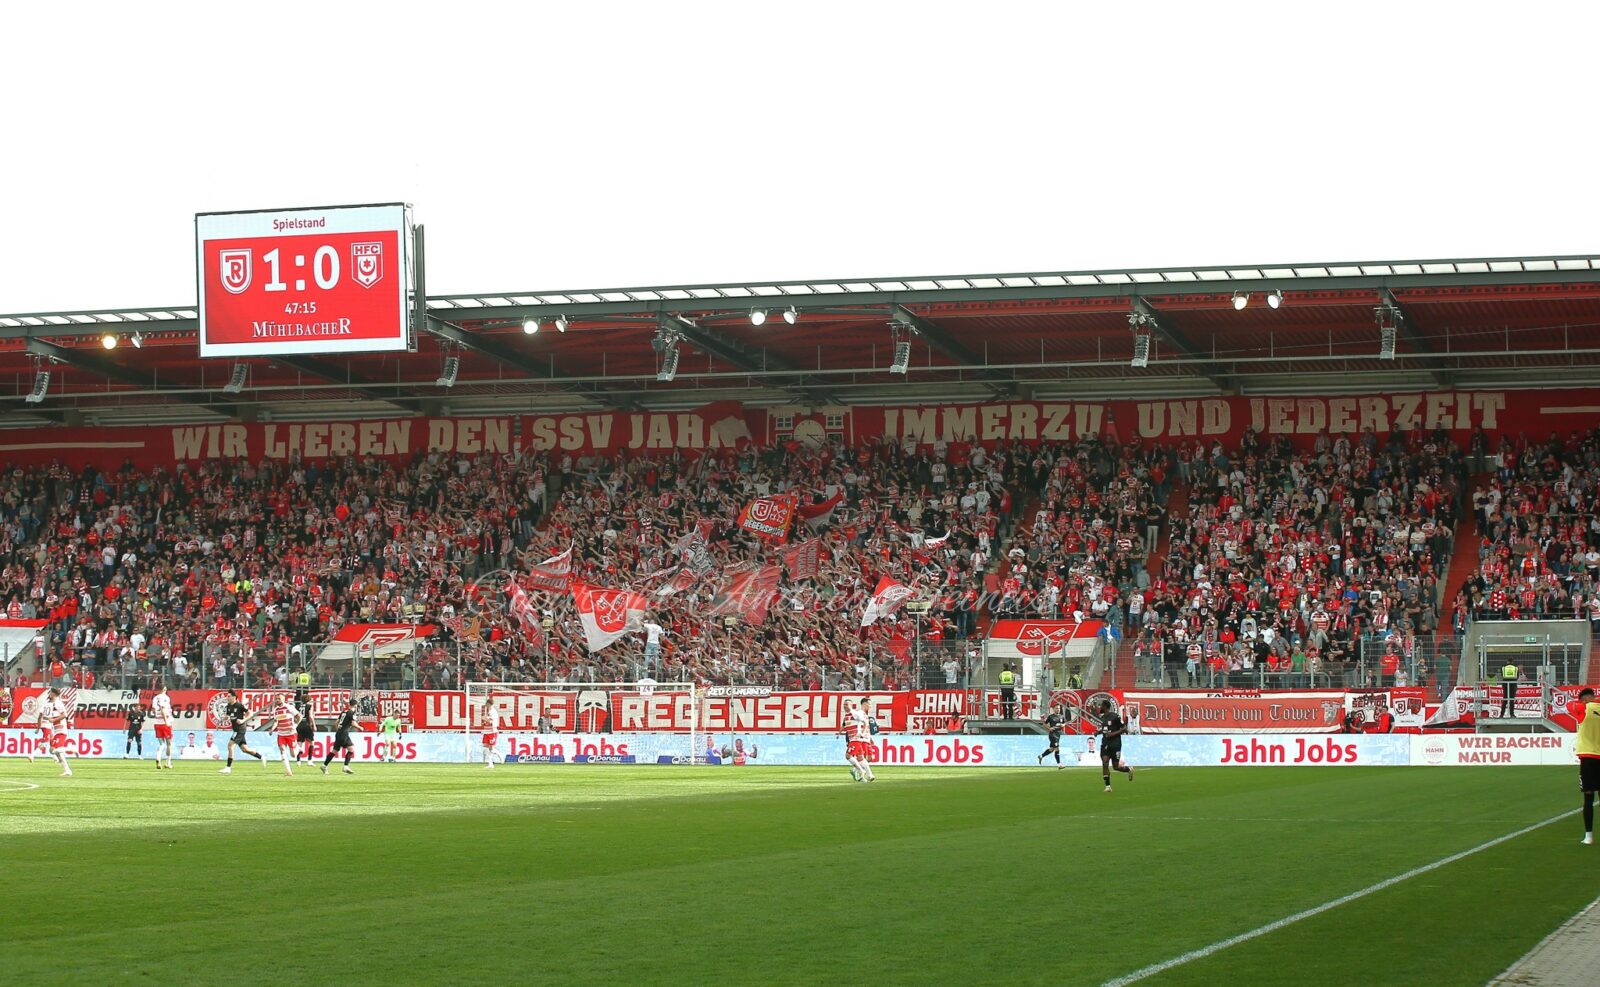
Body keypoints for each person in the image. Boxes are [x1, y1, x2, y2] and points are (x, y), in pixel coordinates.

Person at [220, 689, 265, 774]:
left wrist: (243, 720)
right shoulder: (228, 706)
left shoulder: (240, 705)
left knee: (230, 745)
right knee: (245, 749)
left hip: (240, 729)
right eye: (227, 696)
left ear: (234, 697)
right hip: (235, 729)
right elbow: (228, 716)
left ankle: (228, 768)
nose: (227, 698)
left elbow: (250, 713)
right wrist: (225, 718)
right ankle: (261, 757)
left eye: (229, 696)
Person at [1576, 688, 1600, 844]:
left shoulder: (1582, 708)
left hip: (1588, 757)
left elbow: (1570, 706)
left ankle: (1589, 836)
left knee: (1588, 797)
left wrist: (1586, 703)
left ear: (1584, 699)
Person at [1096, 698, 1134, 792]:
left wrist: (1112, 734)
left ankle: (1129, 769)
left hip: (1115, 744)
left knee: (1116, 767)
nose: (1100, 707)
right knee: (1105, 762)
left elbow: (1124, 728)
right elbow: (1105, 730)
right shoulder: (1103, 718)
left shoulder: (1115, 717)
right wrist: (1098, 732)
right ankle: (1108, 786)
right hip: (1105, 743)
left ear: (1105, 707)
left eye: (1101, 706)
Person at [841, 698, 876, 782]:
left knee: (852, 756)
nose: (870, 706)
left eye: (846, 704)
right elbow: (848, 725)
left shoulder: (856, 713)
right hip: (859, 738)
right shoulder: (857, 713)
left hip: (858, 737)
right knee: (861, 757)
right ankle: (867, 775)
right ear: (864, 704)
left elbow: (864, 724)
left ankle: (859, 770)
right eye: (844, 704)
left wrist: (865, 735)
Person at [40, 687, 72, 777]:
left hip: (61, 730)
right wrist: (48, 718)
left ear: (54, 694)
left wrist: (53, 720)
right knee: (56, 752)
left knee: (53, 750)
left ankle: (72, 749)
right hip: (56, 729)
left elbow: (64, 715)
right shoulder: (51, 704)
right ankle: (67, 770)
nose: (49, 694)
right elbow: (53, 717)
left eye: (50, 692)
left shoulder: (58, 703)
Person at [321, 700, 358, 775]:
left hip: (339, 733)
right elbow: (353, 723)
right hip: (344, 733)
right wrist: (360, 727)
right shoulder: (351, 713)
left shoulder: (343, 712)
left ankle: (324, 765)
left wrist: (338, 730)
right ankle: (346, 767)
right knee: (351, 749)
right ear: (355, 705)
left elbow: (336, 722)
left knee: (335, 750)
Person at [269, 693, 300, 777]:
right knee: (282, 750)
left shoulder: (289, 707)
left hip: (291, 734)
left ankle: (298, 748)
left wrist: (295, 726)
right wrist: (272, 728)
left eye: (279, 698)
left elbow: (299, 716)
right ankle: (288, 771)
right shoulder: (275, 710)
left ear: (283, 699)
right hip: (281, 734)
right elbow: (276, 721)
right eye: (276, 699)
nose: (277, 700)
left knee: (293, 755)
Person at [149, 684, 175, 769]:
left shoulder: (155, 698)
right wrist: (166, 721)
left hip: (157, 723)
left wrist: (158, 714)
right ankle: (168, 762)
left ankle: (158, 757)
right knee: (169, 743)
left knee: (161, 744)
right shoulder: (166, 698)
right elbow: (163, 709)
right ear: (164, 689)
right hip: (165, 723)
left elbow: (153, 711)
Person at [293, 689, 316, 764]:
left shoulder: (297, 706)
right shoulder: (310, 706)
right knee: (312, 743)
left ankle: (298, 760)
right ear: (308, 700)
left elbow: (295, 716)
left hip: (299, 725)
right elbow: (310, 716)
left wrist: (295, 723)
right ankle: (309, 760)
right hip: (307, 724)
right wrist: (314, 725)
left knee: (300, 743)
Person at [481, 702, 500, 769]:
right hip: (486, 731)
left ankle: (497, 757)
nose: (486, 706)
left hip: (492, 732)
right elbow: (487, 721)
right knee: (486, 747)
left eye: (487, 704)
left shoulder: (493, 712)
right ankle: (491, 763)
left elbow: (491, 721)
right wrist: (484, 723)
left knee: (491, 749)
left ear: (490, 704)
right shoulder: (488, 712)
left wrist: (484, 718)